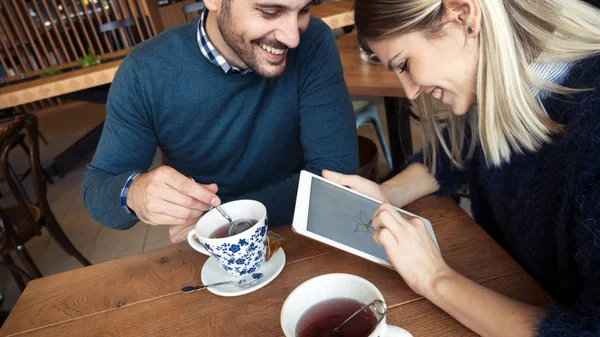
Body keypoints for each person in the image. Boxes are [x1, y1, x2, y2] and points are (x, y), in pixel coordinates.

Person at [324, 0, 600, 335]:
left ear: (463, 15)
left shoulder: (590, 127)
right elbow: (458, 151)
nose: (410, 92)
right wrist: (387, 192)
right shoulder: (504, 87)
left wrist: (435, 278)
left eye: (405, 64)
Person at [81, 0, 358, 244]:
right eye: (270, 11)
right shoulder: (146, 71)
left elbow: (335, 178)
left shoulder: (313, 40)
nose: (293, 37)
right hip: (216, 251)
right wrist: (135, 193)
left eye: (304, 9)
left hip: (301, 229)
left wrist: (216, 219)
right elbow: (98, 186)